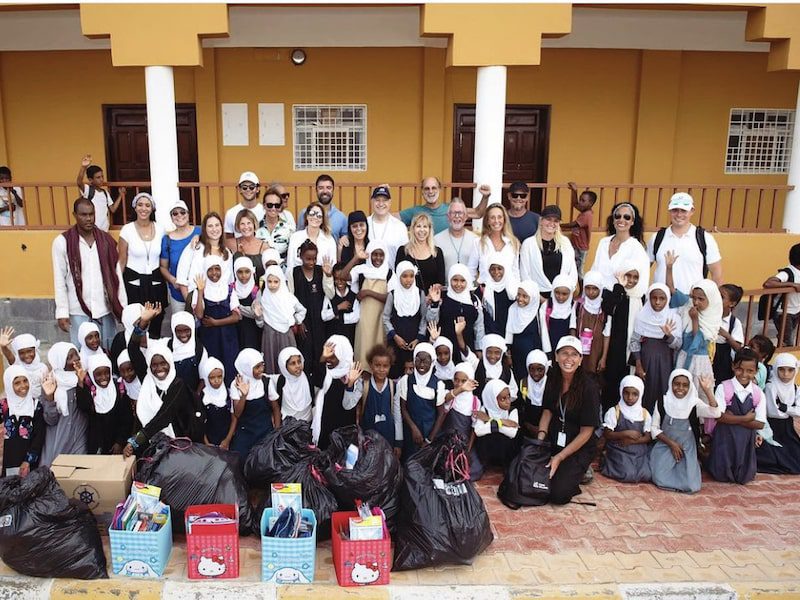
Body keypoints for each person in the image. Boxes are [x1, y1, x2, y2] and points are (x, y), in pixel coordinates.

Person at [52, 198, 126, 350]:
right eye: (83, 215)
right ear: (75, 215)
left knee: (108, 352)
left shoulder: (106, 241)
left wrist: (122, 307)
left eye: (91, 214)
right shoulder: (62, 242)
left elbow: (116, 275)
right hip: (78, 310)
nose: (88, 219)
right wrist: (62, 312)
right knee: (82, 353)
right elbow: (59, 280)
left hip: (105, 308)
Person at [535, 336, 601, 505]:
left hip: (579, 445)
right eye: (564, 353)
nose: (568, 359)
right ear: (556, 357)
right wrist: (540, 441)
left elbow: (587, 432)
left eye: (574, 354)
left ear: (580, 360)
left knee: (558, 495)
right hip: (554, 439)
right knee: (534, 479)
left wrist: (559, 457)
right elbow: (547, 411)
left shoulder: (589, 387)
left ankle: (580, 470)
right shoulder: (552, 378)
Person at [123, 340, 205, 457]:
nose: (159, 368)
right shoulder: (148, 381)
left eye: (163, 363)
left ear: (170, 362)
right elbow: (133, 348)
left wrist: (136, 441)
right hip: (153, 445)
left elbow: (164, 416)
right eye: (154, 365)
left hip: (179, 447)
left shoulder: (178, 385)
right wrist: (141, 328)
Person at [649, 369, 720, 493]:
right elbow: (654, 429)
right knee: (659, 477)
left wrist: (708, 391)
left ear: (690, 386)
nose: (680, 388)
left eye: (685, 385)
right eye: (676, 384)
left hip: (686, 449)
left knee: (691, 485)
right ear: (670, 383)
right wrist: (672, 444)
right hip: (666, 445)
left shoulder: (694, 403)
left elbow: (715, 413)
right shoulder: (663, 401)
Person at [706, 348, 765, 484]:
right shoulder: (723, 388)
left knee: (744, 476)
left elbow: (760, 423)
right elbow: (719, 416)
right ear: (733, 366)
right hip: (725, 438)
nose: (744, 374)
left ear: (756, 371)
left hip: (745, 441)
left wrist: (731, 418)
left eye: (750, 371)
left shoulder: (758, 393)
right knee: (721, 474)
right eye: (739, 369)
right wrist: (745, 418)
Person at [665, 255, 723, 391]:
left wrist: (695, 320)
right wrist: (669, 268)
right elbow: (671, 289)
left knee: (698, 392)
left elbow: (698, 342)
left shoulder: (712, 317)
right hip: (682, 357)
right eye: (694, 298)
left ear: (711, 299)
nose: (696, 302)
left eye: (701, 299)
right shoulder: (689, 304)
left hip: (699, 363)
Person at [648, 192, 723, 295]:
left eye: (683, 210)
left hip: (692, 301)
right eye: (675, 210)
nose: (679, 215)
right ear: (670, 211)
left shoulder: (705, 238)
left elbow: (717, 275)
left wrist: (715, 301)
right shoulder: (657, 238)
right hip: (661, 301)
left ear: (692, 211)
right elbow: (644, 268)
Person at [118, 192, 168, 337]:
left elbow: (164, 257)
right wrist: (117, 285)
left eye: (147, 205)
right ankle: (135, 348)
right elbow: (122, 260)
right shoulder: (127, 230)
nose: (143, 209)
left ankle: (154, 348)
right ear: (135, 207)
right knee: (136, 320)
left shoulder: (160, 229)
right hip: (134, 284)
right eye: (140, 205)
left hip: (155, 283)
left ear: (152, 209)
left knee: (156, 320)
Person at [630, 283, 681, 413]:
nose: (657, 302)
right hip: (645, 362)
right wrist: (638, 364)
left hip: (665, 363)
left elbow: (678, 345)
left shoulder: (673, 318)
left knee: (664, 394)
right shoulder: (642, 316)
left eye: (662, 298)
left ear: (667, 299)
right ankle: (644, 421)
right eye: (654, 298)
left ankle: (661, 423)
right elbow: (634, 341)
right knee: (645, 394)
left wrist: (669, 335)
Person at [599, 264, 644, 411]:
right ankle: (608, 419)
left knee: (628, 387)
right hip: (615, 352)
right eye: (628, 275)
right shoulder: (615, 294)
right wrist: (619, 286)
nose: (631, 280)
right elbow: (608, 311)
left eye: (635, 277)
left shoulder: (642, 297)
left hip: (632, 352)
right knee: (611, 387)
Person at [383, 261, 438, 379]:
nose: (408, 280)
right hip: (397, 342)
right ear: (399, 276)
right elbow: (385, 318)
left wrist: (418, 338)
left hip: (415, 341)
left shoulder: (419, 293)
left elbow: (424, 317)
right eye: (404, 276)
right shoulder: (393, 294)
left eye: (411, 276)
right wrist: (395, 336)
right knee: (396, 371)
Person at [192, 255, 240, 387]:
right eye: (210, 269)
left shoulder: (229, 290)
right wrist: (200, 292)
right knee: (211, 367)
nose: (214, 273)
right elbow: (199, 315)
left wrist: (215, 323)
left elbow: (236, 317)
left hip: (228, 337)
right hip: (209, 338)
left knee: (230, 365)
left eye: (217, 269)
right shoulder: (200, 291)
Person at [290, 240, 334, 387]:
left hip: (319, 321)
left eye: (314, 258)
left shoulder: (321, 271)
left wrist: (328, 276)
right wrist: (298, 321)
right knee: (306, 356)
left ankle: (320, 390)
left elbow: (330, 294)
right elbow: (289, 299)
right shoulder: (294, 273)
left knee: (320, 354)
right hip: (303, 322)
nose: (312, 262)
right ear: (301, 256)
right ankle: (306, 389)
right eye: (308, 258)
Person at [76, 353, 133, 455]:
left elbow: (127, 421)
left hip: (117, 447)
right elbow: (83, 406)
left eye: (107, 373)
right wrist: (80, 382)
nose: (103, 377)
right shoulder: (90, 392)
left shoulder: (119, 391)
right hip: (97, 447)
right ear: (92, 375)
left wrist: (119, 442)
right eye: (98, 374)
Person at [40, 342, 87, 466]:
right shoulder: (50, 382)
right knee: (54, 469)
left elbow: (87, 408)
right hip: (58, 438)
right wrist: (50, 398)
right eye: (69, 357)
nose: (75, 359)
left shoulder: (83, 377)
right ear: (59, 362)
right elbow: (50, 420)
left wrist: (81, 383)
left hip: (79, 436)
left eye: (76, 354)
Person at [312, 335, 362, 449]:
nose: (328, 360)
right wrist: (323, 357)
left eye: (333, 357)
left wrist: (350, 384)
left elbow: (348, 405)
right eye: (327, 356)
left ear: (343, 356)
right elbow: (317, 379)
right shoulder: (327, 374)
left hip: (345, 427)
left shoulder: (354, 375)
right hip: (327, 427)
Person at [398, 342, 447, 459]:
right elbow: (403, 408)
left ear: (432, 362)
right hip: (410, 432)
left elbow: (441, 413)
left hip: (430, 432)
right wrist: (413, 428)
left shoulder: (438, 385)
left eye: (426, 361)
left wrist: (430, 439)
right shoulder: (406, 381)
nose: (421, 364)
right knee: (409, 461)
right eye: (418, 360)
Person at [591, 202, 650, 298]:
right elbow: (594, 270)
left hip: (621, 301)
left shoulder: (636, 248)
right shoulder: (603, 242)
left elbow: (641, 284)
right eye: (618, 216)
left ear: (632, 222)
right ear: (613, 220)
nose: (621, 220)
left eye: (627, 217)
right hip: (597, 299)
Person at [229, 348, 281, 457]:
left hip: (265, 431)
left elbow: (276, 408)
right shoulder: (236, 384)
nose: (261, 369)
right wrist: (244, 395)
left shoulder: (266, 381)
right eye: (257, 367)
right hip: (245, 433)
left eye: (262, 365)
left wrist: (277, 432)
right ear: (246, 368)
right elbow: (237, 414)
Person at [601, 375, 652, 483]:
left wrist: (633, 441)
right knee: (628, 474)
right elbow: (607, 434)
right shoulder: (614, 411)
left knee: (646, 475)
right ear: (621, 392)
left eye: (635, 394)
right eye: (626, 393)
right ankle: (607, 462)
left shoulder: (644, 413)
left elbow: (648, 437)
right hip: (620, 449)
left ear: (640, 394)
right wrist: (625, 433)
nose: (630, 397)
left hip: (638, 451)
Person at [398, 177, 490, 235]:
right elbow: (391, 218)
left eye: (434, 188)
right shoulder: (415, 211)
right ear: (422, 191)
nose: (430, 191)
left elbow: (478, 213)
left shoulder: (451, 208)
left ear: (439, 189)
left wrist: (485, 197)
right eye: (427, 189)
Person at [258, 265, 306, 375]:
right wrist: (259, 317)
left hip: (286, 335)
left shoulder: (288, 297)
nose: (272, 285)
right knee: (271, 362)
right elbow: (260, 322)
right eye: (269, 281)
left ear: (281, 281)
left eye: (276, 281)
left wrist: (294, 320)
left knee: (288, 362)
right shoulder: (263, 298)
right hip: (269, 336)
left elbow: (302, 310)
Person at [355, 344, 401, 457]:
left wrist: (398, 442)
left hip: (388, 438)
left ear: (390, 366)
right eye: (377, 365)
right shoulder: (364, 384)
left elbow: (397, 415)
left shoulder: (393, 386)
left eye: (385, 366)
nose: (381, 369)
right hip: (367, 439)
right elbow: (348, 404)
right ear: (371, 365)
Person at [519, 205, 577, 297]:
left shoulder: (565, 242)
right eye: (548, 219)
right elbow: (524, 274)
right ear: (541, 220)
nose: (552, 223)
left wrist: (566, 294)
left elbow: (572, 272)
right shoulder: (529, 244)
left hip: (561, 297)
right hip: (535, 296)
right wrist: (540, 299)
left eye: (556, 221)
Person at [1, 366, 48, 477]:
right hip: (8, 460)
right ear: (9, 385)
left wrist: (28, 460)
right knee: (8, 486)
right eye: (17, 383)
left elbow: (39, 436)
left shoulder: (35, 406)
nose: (23, 386)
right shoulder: (4, 406)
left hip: (29, 461)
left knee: (29, 485)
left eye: (25, 380)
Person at [758, 353, 800, 474]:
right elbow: (773, 411)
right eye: (781, 370)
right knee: (774, 456)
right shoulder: (771, 386)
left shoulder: (796, 388)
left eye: (790, 370)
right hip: (771, 427)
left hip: (787, 428)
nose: (786, 374)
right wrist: (790, 410)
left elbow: (798, 411)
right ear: (776, 368)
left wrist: (785, 408)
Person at [159, 200, 201, 319]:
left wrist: (199, 236)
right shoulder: (167, 240)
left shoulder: (200, 231)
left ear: (188, 214)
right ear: (171, 218)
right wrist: (173, 280)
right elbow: (163, 267)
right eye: (175, 213)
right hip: (177, 294)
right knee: (181, 325)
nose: (179, 216)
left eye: (182, 212)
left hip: (201, 291)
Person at [506, 280, 550, 383]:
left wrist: (548, 355)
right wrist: (508, 353)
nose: (520, 299)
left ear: (533, 297)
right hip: (517, 354)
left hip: (534, 352)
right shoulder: (513, 309)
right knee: (520, 379)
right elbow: (509, 331)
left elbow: (544, 334)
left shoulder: (538, 311)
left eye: (525, 296)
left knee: (534, 377)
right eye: (518, 295)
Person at [177, 212, 233, 292]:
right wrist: (188, 298)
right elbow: (181, 277)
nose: (214, 229)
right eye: (210, 226)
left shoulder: (227, 252)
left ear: (221, 227)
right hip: (197, 297)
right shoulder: (195, 246)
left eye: (217, 225)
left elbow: (230, 281)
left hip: (222, 298)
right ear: (205, 229)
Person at [469, 204, 521, 288]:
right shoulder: (478, 243)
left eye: (499, 217)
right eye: (492, 217)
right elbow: (471, 270)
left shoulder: (513, 243)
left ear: (504, 219)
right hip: (485, 291)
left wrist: (517, 290)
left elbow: (515, 272)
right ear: (487, 221)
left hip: (508, 292)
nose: (496, 221)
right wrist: (471, 289)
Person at [439, 264, 485, 356]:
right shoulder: (442, 297)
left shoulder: (474, 300)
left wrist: (479, 348)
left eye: (462, 281)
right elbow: (432, 321)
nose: (458, 284)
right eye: (455, 280)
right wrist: (434, 304)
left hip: (467, 348)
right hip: (444, 350)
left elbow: (479, 326)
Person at [395, 213, 446, 295]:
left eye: (425, 226)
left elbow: (440, 281)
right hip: (408, 299)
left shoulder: (437, 252)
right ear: (413, 229)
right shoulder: (403, 251)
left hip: (431, 300)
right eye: (418, 226)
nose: (422, 230)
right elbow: (398, 279)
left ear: (429, 229)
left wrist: (430, 297)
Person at [474, 379, 520, 469]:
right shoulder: (484, 410)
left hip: (506, 454)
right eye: (503, 399)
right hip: (487, 453)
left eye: (509, 397)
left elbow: (512, 433)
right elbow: (478, 431)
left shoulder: (513, 411)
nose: (508, 401)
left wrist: (489, 420)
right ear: (492, 399)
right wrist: (502, 422)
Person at [762, 242, 800, 347]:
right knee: (787, 341)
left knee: (788, 338)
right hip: (784, 313)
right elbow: (768, 283)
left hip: (796, 311)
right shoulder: (788, 272)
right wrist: (792, 284)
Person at [434, 199, 479, 282]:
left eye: (460, 213)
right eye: (453, 213)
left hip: (470, 287)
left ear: (466, 216)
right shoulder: (436, 240)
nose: (457, 216)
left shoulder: (475, 240)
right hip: (445, 287)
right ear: (448, 216)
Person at [286, 201, 337, 273]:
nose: (315, 217)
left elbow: (333, 266)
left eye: (319, 216)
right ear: (306, 216)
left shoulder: (329, 240)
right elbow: (290, 265)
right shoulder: (295, 237)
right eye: (312, 214)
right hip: (298, 277)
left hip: (322, 277)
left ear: (323, 220)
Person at [76, 154, 124, 232]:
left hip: (104, 230)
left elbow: (113, 209)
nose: (101, 179)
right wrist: (83, 167)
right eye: (98, 177)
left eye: (102, 176)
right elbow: (79, 182)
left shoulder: (105, 193)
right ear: (90, 180)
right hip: (92, 230)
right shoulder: (88, 190)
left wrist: (120, 195)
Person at [570, 270, 606, 375]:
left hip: (596, 349)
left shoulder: (604, 308)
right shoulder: (578, 305)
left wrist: (603, 357)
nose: (591, 292)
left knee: (593, 375)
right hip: (579, 347)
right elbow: (572, 327)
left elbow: (607, 334)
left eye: (595, 289)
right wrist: (573, 348)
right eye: (588, 288)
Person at [0, 329, 49, 399]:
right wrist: (3, 347)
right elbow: (9, 356)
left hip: (39, 402)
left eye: (29, 351)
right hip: (21, 402)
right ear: (17, 353)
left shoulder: (43, 367)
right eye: (21, 353)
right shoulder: (17, 365)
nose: (26, 355)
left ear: (35, 350)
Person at [366, 185, 408, 266]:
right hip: (367, 273)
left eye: (384, 200)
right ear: (372, 201)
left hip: (392, 272)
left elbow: (405, 254)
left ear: (390, 202)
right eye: (377, 200)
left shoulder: (400, 226)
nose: (381, 204)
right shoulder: (365, 224)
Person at [198, 357, 236, 448]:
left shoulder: (228, 394)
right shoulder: (203, 397)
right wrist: (206, 443)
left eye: (219, 376)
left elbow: (234, 418)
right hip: (210, 441)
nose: (216, 381)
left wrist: (227, 440)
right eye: (212, 377)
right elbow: (200, 423)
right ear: (206, 378)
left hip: (227, 439)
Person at [297, 174, 349, 240]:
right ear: (316, 190)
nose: (325, 191)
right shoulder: (305, 213)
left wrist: (345, 237)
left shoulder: (341, 217)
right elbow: (298, 237)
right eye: (321, 188)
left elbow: (346, 238)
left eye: (328, 188)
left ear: (333, 190)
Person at [563, 182, 597, 279]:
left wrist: (557, 224)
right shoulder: (584, 211)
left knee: (579, 271)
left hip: (581, 248)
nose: (580, 202)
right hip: (576, 245)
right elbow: (575, 204)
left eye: (583, 201)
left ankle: (582, 287)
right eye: (580, 199)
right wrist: (574, 191)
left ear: (590, 203)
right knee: (572, 268)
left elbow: (573, 224)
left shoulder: (587, 215)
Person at [224, 171, 265, 250]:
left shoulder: (265, 211)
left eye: (252, 187)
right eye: (244, 187)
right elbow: (229, 239)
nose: (248, 190)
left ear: (257, 189)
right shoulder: (231, 213)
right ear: (240, 189)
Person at [322, 262, 360, 346]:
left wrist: (339, 317)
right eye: (336, 278)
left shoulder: (353, 295)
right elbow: (324, 316)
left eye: (342, 279)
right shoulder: (330, 295)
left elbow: (356, 317)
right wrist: (338, 307)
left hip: (349, 335)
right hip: (332, 336)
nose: (339, 282)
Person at [713, 284, 745, 383]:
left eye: (721, 297)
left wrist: (727, 336)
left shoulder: (734, 322)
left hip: (722, 363)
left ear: (732, 303)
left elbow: (738, 348)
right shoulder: (709, 316)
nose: (717, 299)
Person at [255, 186, 295, 265]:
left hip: (282, 270)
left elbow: (292, 255)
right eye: (270, 205)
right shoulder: (255, 228)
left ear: (280, 207)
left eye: (277, 205)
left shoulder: (289, 229)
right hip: (260, 269)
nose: (273, 208)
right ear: (264, 205)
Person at [479, 254, 516, 337]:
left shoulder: (512, 289)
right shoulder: (483, 289)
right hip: (490, 333)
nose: (496, 272)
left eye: (499, 269)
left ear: (505, 269)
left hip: (509, 333)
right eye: (492, 269)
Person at [273, 347, 313, 423]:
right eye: (293, 363)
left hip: (308, 423)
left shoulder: (307, 378)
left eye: (299, 362)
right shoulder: (281, 381)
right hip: (288, 425)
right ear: (284, 366)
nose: (298, 366)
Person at [542, 274, 577, 353]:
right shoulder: (546, 306)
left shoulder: (573, 306)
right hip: (548, 345)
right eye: (557, 293)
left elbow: (572, 328)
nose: (560, 297)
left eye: (564, 294)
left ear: (570, 293)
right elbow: (543, 330)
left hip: (566, 347)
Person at [232, 256, 261, 350]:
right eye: (240, 272)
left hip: (252, 330)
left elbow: (256, 313)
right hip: (235, 330)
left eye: (247, 271)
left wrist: (237, 307)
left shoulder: (256, 291)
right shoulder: (231, 289)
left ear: (252, 272)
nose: (243, 275)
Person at [518, 349, 548, 439]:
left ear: (546, 368)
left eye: (540, 369)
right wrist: (529, 426)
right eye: (532, 369)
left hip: (548, 430)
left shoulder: (550, 385)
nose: (536, 373)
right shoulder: (523, 383)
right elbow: (520, 408)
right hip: (527, 430)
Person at [233, 208, 269, 283]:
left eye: (249, 223)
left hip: (259, 288)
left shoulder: (264, 246)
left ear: (254, 224)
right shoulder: (232, 244)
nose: (246, 227)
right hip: (237, 288)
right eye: (242, 224)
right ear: (238, 226)